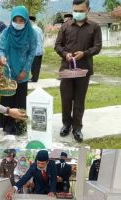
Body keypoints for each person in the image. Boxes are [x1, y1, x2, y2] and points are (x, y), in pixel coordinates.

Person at [54, 0, 102, 142]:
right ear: (72, 9)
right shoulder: (65, 26)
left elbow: (97, 47)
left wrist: (85, 53)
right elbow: (57, 45)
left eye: (81, 11)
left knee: (79, 100)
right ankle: (66, 125)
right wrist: (65, 54)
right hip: (67, 69)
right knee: (66, 99)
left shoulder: (95, 27)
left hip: (84, 69)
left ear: (88, 10)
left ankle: (77, 128)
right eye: (76, 10)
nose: (78, 13)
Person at [0, 6, 37, 135]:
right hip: (8, 72)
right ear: (12, 19)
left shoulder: (32, 34)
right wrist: (1, 56)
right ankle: (8, 126)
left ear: (26, 21)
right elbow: (1, 49)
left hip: (22, 73)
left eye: (22, 20)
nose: (19, 23)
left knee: (20, 100)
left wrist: (26, 70)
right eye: (16, 20)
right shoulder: (6, 33)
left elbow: (32, 53)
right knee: (7, 100)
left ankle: (20, 126)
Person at [29, 16, 44, 82]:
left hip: (35, 50)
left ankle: (34, 78)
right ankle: (35, 78)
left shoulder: (32, 29)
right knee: (37, 65)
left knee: (34, 65)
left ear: (31, 21)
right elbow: (42, 39)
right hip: (40, 49)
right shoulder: (39, 29)